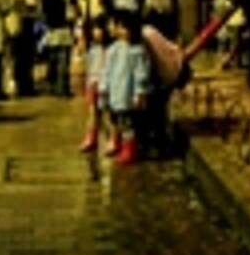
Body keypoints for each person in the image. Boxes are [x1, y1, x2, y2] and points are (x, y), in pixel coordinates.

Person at [100, 11, 151, 166]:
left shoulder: (137, 51)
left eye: (124, 28)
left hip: (127, 94)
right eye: (119, 27)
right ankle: (119, 143)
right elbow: (106, 70)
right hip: (115, 93)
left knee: (127, 123)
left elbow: (141, 74)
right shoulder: (113, 49)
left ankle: (129, 148)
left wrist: (139, 92)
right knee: (115, 119)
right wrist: (104, 87)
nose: (120, 31)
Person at [141, 22, 192, 157]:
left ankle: (163, 145)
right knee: (159, 111)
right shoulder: (148, 31)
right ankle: (163, 142)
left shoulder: (144, 37)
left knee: (157, 111)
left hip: (170, 72)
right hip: (174, 69)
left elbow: (152, 66)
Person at [78, 16, 108, 153]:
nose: (97, 32)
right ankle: (91, 137)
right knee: (93, 113)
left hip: (105, 84)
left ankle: (112, 138)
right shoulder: (92, 49)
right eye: (94, 29)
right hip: (93, 83)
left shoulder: (108, 49)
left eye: (99, 28)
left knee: (108, 114)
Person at [42, 0, 75, 97]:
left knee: (53, 60)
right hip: (63, 29)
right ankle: (62, 88)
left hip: (52, 30)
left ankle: (53, 86)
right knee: (63, 60)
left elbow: (44, 14)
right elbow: (71, 4)